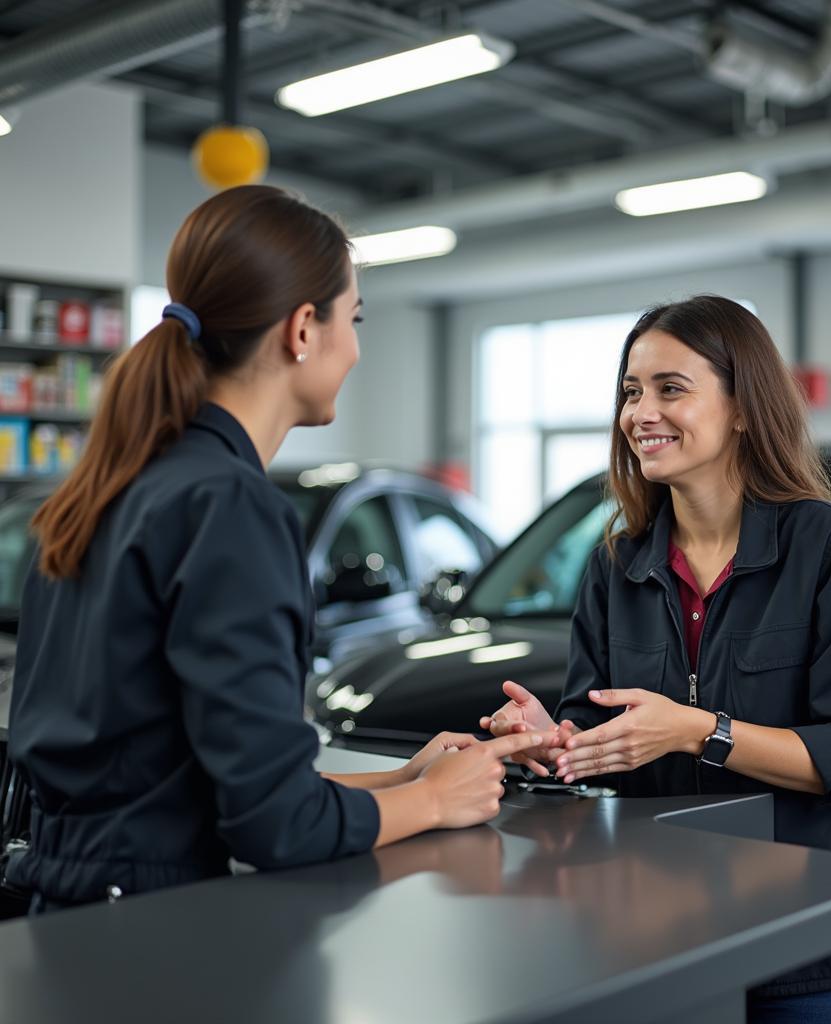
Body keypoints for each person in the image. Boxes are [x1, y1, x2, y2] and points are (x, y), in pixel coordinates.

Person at [6, 185, 543, 912]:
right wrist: (436, 804)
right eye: (351, 320)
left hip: (71, 916)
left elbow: (193, 788)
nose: (354, 349)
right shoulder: (230, 505)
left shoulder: (109, 488)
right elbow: (276, 827)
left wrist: (407, 782)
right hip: (152, 936)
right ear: (301, 330)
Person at [481, 295, 831, 1022]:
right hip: (661, 941)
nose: (641, 412)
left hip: (810, 948)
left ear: (743, 406)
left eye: (670, 388)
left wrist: (698, 730)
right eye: (631, 392)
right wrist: (557, 740)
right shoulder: (616, 564)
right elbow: (598, 725)